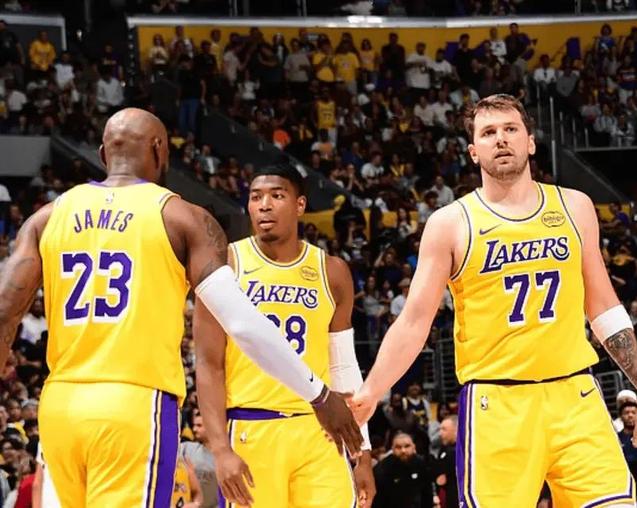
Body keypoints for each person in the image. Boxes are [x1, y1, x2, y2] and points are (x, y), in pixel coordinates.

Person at [0, 108, 362, 507]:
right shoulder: (181, 216)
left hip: (60, 404)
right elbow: (241, 323)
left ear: (103, 154)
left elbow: (3, 313)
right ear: (160, 150)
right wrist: (319, 394)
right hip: (134, 403)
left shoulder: (46, 218)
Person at [351, 94, 637, 506]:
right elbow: (413, 321)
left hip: (575, 397)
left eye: (511, 129)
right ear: (472, 151)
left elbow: (602, 305)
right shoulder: (450, 223)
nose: (501, 139)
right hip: (496, 405)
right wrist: (372, 390)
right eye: (489, 132)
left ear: (530, 142)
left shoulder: (575, 206)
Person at [193, 163, 376, 508]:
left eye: (277, 196)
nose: (264, 205)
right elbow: (209, 363)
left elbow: (343, 365)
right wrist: (219, 449)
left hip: (320, 430)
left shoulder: (332, 271)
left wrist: (362, 451)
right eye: (256, 197)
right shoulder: (225, 265)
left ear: (300, 204)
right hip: (252, 428)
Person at [373, 432, 433, 508]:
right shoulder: (383, 467)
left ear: (413, 447)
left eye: (407, 446)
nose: (403, 450)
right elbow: (378, 498)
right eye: (398, 447)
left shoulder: (421, 464)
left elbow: (427, 494)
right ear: (392, 449)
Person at [181, 413, 218, 508]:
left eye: (199, 425)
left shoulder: (224, 457)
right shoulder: (185, 448)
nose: (194, 429)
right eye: (194, 425)